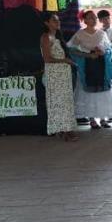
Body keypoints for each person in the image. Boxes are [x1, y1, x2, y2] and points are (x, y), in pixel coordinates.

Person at [67, 10, 112, 129]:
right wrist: (88, 55)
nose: (94, 20)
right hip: (87, 66)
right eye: (91, 18)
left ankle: (103, 118)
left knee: (103, 92)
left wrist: (102, 52)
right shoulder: (80, 34)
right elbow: (72, 49)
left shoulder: (101, 33)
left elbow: (109, 48)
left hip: (100, 65)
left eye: (95, 18)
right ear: (85, 20)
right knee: (89, 93)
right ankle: (92, 119)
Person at [40, 12, 78, 141]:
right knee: (58, 102)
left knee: (66, 102)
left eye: (58, 20)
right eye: (54, 20)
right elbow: (47, 59)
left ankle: (65, 129)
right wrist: (64, 61)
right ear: (47, 23)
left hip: (63, 74)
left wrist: (67, 61)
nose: (58, 22)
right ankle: (64, 130)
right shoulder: (46, 37)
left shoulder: (57, 37)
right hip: (54, 75)